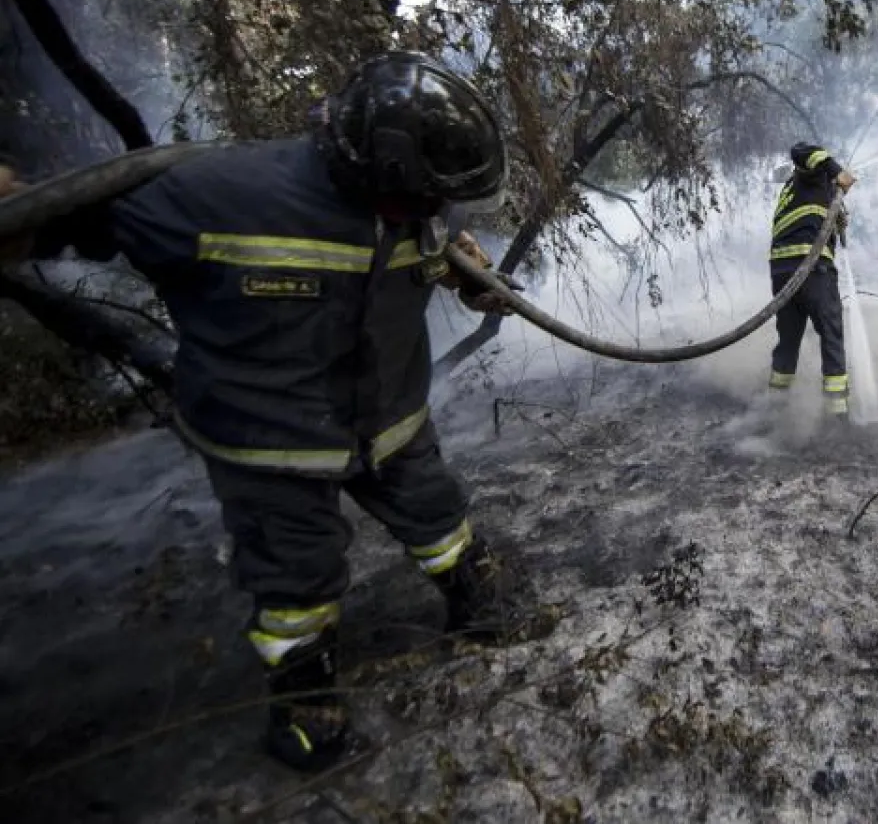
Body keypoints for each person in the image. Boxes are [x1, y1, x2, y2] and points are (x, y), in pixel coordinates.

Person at [0, 52, 558, 772]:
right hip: (271, 439)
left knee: (437, 510)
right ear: (378, 169)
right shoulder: (216, 195)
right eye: (427, 199)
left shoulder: (419, 203)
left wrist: (475, 282)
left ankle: (472, 590)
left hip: (389, 415)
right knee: (296, 573)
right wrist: (17, 206)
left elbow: (441, 249)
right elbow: (71, 217)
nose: (438, 214)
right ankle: (305, 691)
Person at [767, 142, 857, 419]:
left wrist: (837, 218)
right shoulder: (814, 173)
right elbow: (802, 149)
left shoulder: (796, 191)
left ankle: (775, 408)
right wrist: (836, 170)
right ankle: (837, 415)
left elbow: (813, 217)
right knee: (832, 333)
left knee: (788, 339)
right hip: (811, 266)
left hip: (782, 271)